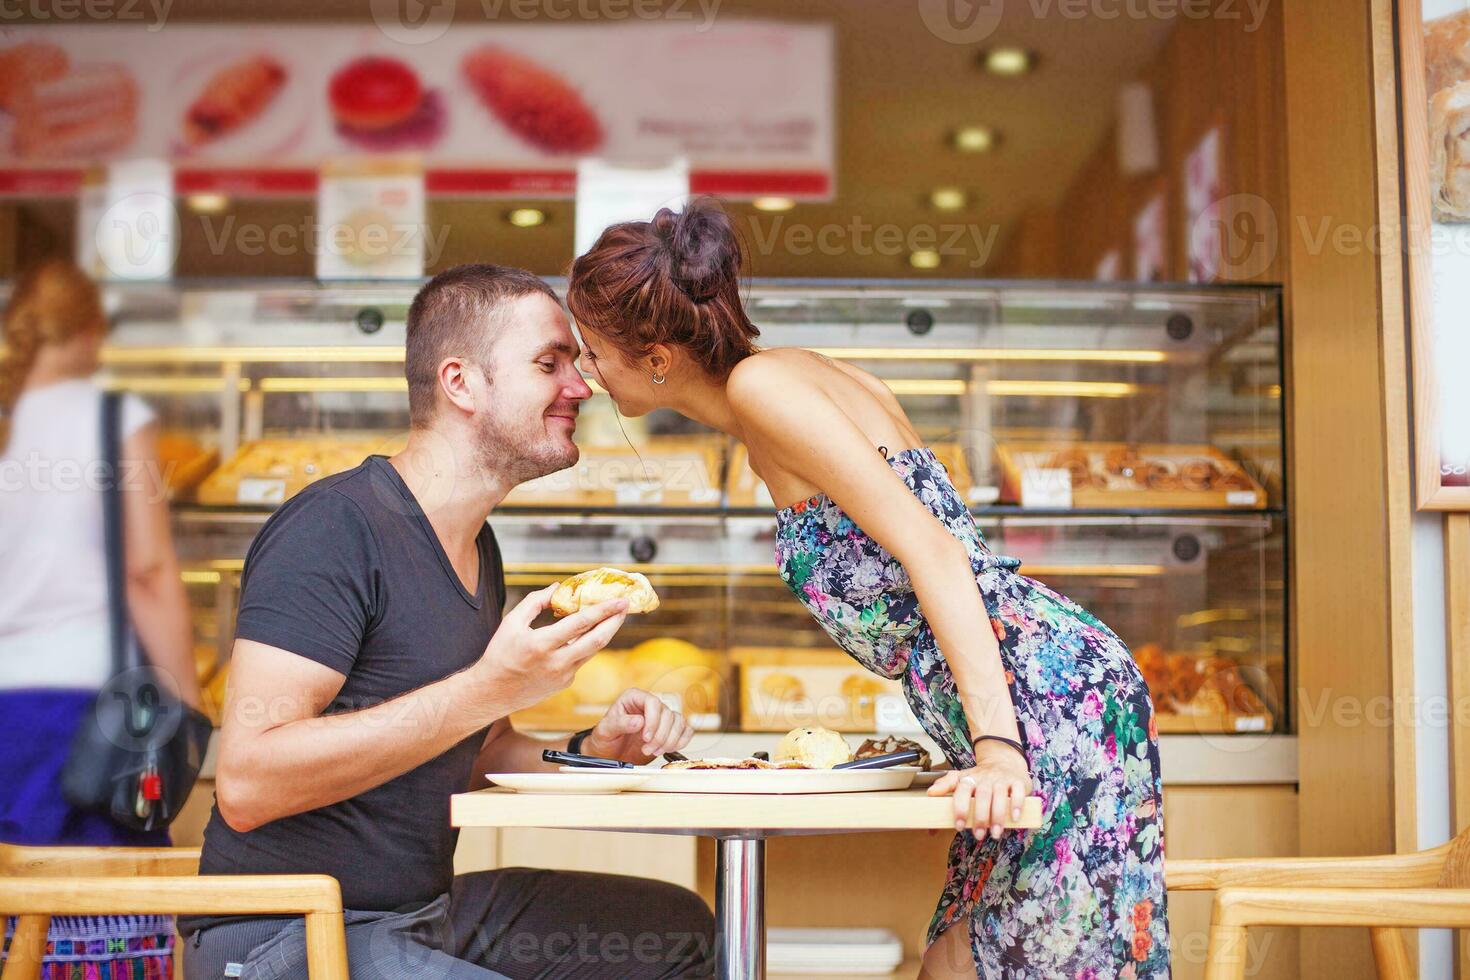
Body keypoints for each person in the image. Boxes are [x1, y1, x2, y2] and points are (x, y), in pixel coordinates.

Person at [566, 200, 1171, 979]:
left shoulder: (764, 392)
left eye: (590, 354)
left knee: (990, 964)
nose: (586, 375)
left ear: (654, 356)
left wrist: (995, 746)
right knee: (953, 963)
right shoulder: (794, 376)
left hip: (1043, 700)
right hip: (1035, 685)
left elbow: (937, 552)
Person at [179, 264, 714, 980]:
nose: (580, 387)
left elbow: (481, 748)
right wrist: (489, 686)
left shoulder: (474, 545)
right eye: (549, 365)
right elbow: (247, 783)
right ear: (460, 382)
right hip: (288, 933)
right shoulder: (337, 527)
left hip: (418, 916)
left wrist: (593, 748)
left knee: (676, 929)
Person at [0, 259, 199, 977]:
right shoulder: (113, 418)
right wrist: (192, 706)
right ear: (89, 332)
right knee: (100, 913)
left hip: (7, 715)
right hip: (87, 713)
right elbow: (147, 572)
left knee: (15, 915)